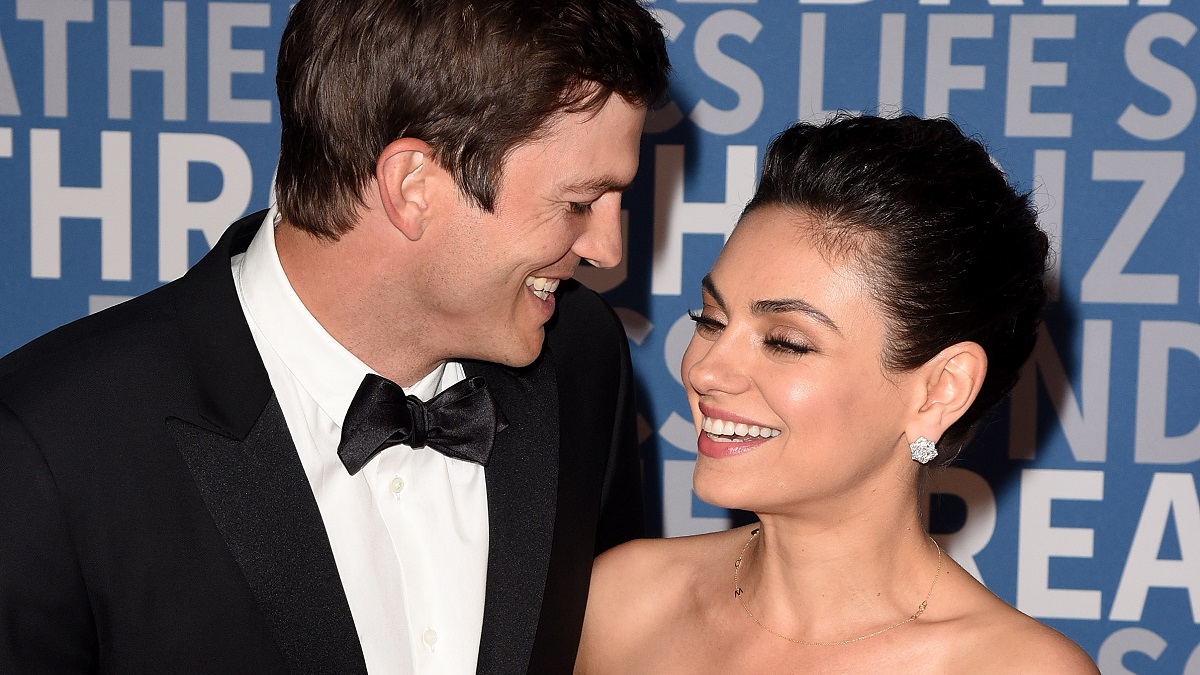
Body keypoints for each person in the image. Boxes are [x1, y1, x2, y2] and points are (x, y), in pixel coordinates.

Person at [0, 1, 668, 672]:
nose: (608, 249)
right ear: (412, 187)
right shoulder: (47, 447)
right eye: (580, 202)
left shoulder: (581, 358)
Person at [576, 115, 1099, 674]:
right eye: (710, 319)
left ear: (940, 391)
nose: (707, 369)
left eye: (785, 342)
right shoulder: (621, 605)